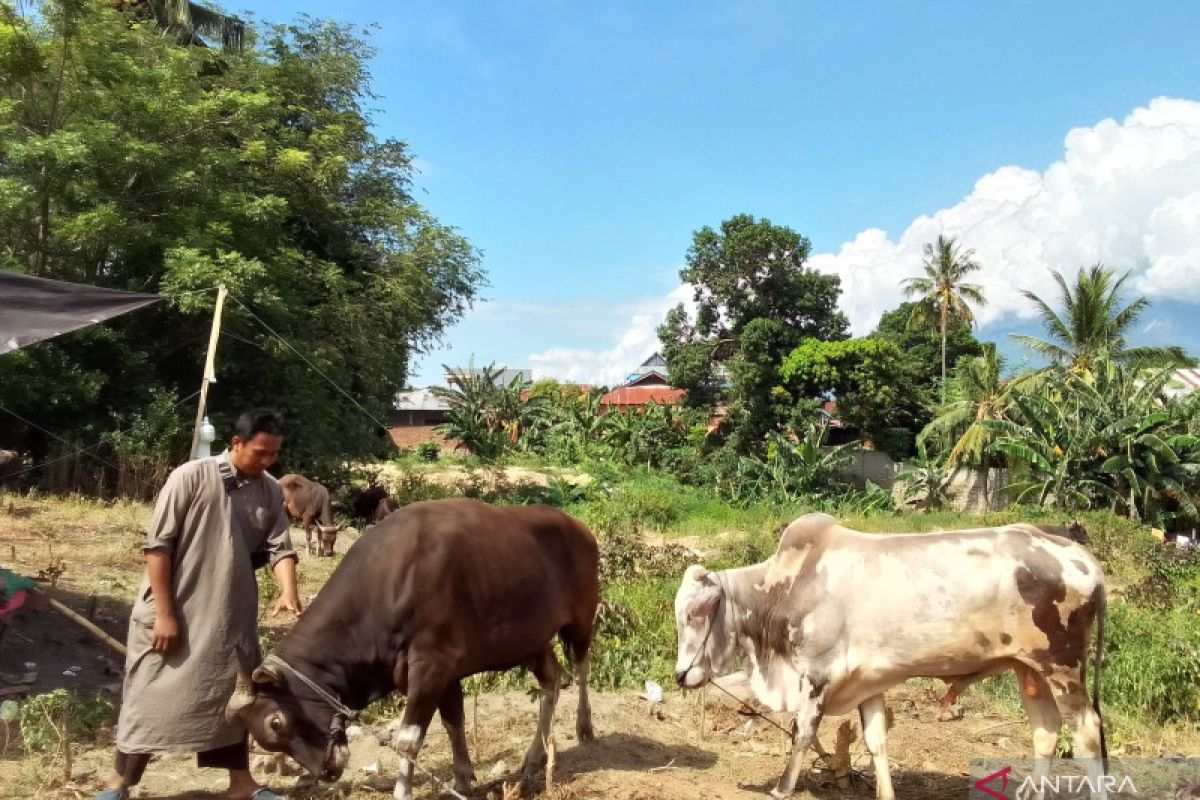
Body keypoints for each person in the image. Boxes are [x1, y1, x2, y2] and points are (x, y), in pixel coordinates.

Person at [93, 410, 302, 800]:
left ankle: (241, 785)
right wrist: (166, 615)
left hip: (228, 617)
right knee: (148, 696)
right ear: (236, 443)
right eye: (260, 452)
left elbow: (281, 548)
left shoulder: (271, 490)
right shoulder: (189, 477)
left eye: (274, 454)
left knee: (232, 700)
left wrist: (289, 591)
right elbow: (157, 548)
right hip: (173, 613)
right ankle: (119, 785)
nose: (267, 461)